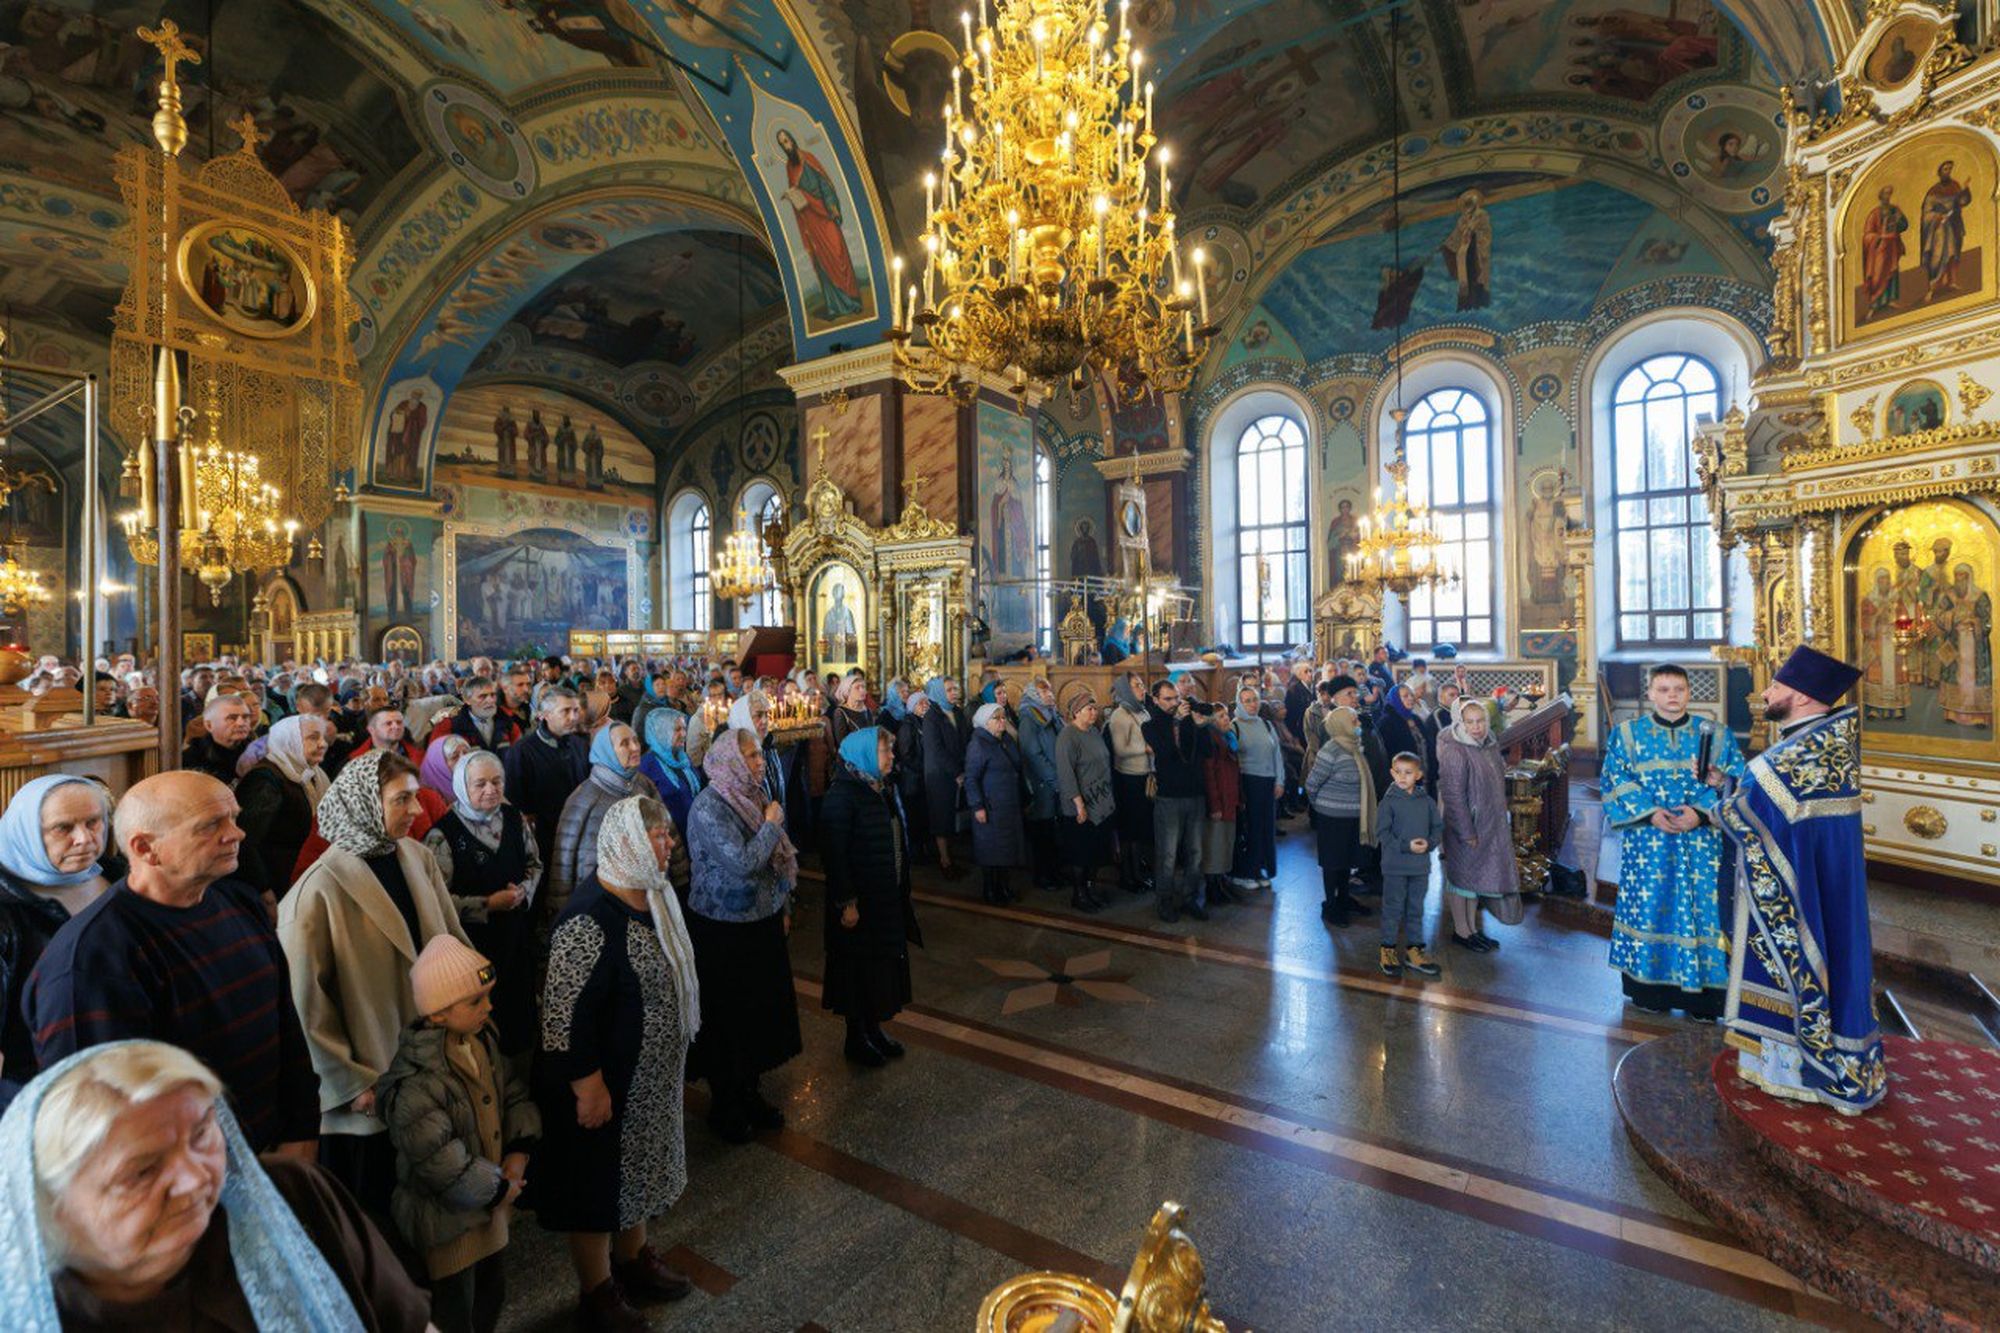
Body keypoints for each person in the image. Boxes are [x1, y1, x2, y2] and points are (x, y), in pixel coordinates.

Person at [0, 1041, 429, 1331]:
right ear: (52, 1207)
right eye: (142, 1171)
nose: (195, 1179)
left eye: (201, 1133)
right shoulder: (37, 1314)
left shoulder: (293, 1197)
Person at [26, 771, 319, 1156]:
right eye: (211, 825)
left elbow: (285, 1027)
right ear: (146, 848)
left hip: (271, 1155)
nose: (237, 834)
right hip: (182, 1178)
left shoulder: (239, 902)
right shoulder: (94, 957)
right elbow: (100, 1116)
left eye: (233, 817)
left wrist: (301, 1133)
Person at [279, 750, 475, 1216]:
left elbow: (451, 938)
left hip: (433, 1059)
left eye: (416, 798)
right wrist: (348, 1082)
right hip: (373, 1076)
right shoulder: (319, 889)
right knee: (381, 1208)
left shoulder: (416, 856)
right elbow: (304, 1003)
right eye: (402, 800)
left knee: (436, 1205)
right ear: (365, 802)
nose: (417, 811)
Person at [537, 796, 699, 1330]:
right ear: (628, 842)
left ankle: (633, 1261)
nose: (669, 844)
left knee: (637, 1171)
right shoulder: (588, 917)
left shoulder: (651, 898)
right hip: (604, 1082)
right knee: (595, 1184)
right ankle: (597, 1288)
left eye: (669, 835)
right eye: (658, 837)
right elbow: (563, 1014)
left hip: (646, 1080)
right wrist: (587, 1084)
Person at [1720, 645, 1884, 1114]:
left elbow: (1750, 811)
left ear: (1805, 697)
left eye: (1776, 686)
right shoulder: (1825, 740)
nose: (1765, 693)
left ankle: (1799, 1066)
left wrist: (1719, 804)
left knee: (1806, 957)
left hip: (1805, 886)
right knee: (1837, 949)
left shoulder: (1795, 753)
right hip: (1825, 877)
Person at [377, 935, 539, 1333]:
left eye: (489, 995)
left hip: (488, 1211)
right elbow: (442, 1163)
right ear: (437, 1015)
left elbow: (511, 1092)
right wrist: (499, 1188)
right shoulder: (417, 1082)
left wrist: (518, 1150)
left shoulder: (482, 1039)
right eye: (476, 1001)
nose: (489, 1006)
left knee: (491, 1295)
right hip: (447, 1226)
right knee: (455, 1312)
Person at [1601, 664, 1746, 1019]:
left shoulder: (1716, 734)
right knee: (1652, 907)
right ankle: (1651, 992)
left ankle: (1705, 1000)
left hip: (1702, 841)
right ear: (1650, 693)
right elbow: (1614, 779)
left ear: (1688, 692)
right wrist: (1650, 813)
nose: (1672, 696)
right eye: (1663, 689)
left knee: (1705, 911)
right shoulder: (1627, 734)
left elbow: (1738, 781)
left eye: (1678, 689)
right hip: (1649, 841)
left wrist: (1700, 811)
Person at [684, 727, 802, 1143]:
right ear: (730, 761)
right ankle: (726, 1105)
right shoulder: (709, 806)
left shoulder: (751, 796)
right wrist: (771, 824)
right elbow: (744, 862)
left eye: (758, 755)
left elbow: (774, 866)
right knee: (729, 1020)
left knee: (758, 1016)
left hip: (761, 922)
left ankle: (751, 1092)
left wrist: (782, 906)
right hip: (723, 930)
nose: (759, 762)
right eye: (750, 756)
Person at [0, 776, 114, 1102]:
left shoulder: (118, 873)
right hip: (43, 1089)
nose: (84, 839)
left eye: (93, 822)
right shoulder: (6, 909)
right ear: (26, 831)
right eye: (63, 828)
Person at [426, 750, 542, 1062]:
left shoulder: (514, 819)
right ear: (463, 787)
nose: (490, 790)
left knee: (517, 1020)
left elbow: (534, 864)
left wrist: (523, 892)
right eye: (480, 784)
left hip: (516, 939)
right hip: (473, 947)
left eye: (497, 781)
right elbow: (436, 899)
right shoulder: (442, 835)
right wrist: (487, 904)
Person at [820, 727, 921, 1067]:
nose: (891, 756)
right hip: (858, 904)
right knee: (856, 971)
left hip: (883, 897)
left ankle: (874, 1029)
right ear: (864, 755)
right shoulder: (842, 795)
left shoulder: (878, 788)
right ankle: (856, 1037)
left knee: (879, 969)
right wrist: (847, 902)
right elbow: (834, 856)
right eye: (884, 751)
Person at [548, 723, 659, 926]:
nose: (635, 748)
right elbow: (563, 857)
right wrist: (561, 910)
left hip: (644, 889)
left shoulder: (643, 784)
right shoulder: (585, 797)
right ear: (606, 751)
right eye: (625, 743)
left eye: (635, 740)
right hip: (598, 897)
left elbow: (665, 830)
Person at [1435, 698, 1518, 952]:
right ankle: (1461, 931)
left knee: (1474, 882)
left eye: (1480, 720)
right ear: (1461, 723)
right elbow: (1453, 796)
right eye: (1470, 722)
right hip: (1466, 828)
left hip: (1488, 825)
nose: (1476, 727)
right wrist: (1466, 831)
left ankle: (1472, 929)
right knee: (1461, 881)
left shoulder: (1488, 744)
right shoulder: (1455, 749)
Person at [234, 714, 331, 904]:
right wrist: (263, 890)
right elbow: (246, 842)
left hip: (305, 875)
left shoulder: (313, 774)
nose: (323, 744)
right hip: (277, 884)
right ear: (289, 740)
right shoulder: (265, 779)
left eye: (323, 737)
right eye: (313, 737)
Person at [1142, 678, 1210, 923]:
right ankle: (1165, 901)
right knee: (1167, 855)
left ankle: (1191, 898)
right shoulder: (1150, 726)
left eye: (1175, 698)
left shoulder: (1188, 720)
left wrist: (1201, 727)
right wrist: (1177, 722)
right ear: (1156, 700)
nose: (1173, 703)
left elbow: (1207, 752)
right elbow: (1167, 752)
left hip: (1195, 794)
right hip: (1169, 798)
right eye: (1168, 699)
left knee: (1195, 853)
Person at [504, 684, 591, 870]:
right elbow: (517, 804)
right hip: (544, 839)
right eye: (565, 711)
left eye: (576, 710)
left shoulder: (579, 744)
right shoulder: (522, 751)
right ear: (545, 714)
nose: (573, 717)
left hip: (579, 831)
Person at [1305, 706, 1376, 927]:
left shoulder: (1355, 747)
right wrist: (1323, 806)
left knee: (1346, 861)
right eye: (1353, 721)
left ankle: (1344, 899)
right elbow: (1312, 784)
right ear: (1342, 725)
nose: (1358, 725)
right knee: (1333, 863)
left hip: (1353, 816)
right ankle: (1331, 905)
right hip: (1333, 817)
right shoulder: (1331, 749)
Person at [1374, 752, 1443, 979]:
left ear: (1419, 775)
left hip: (1420, 867)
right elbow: (1382, 833)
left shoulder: (1427, 802)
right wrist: (1406, 846)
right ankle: (1388, 950)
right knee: (1393, 909)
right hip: (1395, 866)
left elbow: (1437, 828)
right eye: (1398, 772)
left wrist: (1430, 843)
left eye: (1409, 772)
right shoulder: (1388, 802)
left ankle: (1414, 951)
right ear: (1392, 773)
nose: (1403, 777)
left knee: (1416, 909)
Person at [963, 701, 1028, 906]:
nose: (1001, 722)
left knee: (1006, 850)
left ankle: (1004, 887)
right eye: (996, 718)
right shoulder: (978, 744)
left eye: (1003, 718)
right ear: (985, 722)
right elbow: (971, 779)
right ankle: (990, 890)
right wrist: (977, 806)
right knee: (991, 851)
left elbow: (1017, 764)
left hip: (1008, 804)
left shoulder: (1005, 739)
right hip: (990, 807)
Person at [1054, 693, 1114, 913]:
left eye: (1094, 708)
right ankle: (1079, 894)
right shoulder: (1067, 737)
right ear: (1076, 712)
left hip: (1100, 802)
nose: (1094, 712)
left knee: (1095, 851)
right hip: (1080, 805)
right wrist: (1079, 805)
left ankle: (1090, 889)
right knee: (1081, 852)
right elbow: (1066, 773)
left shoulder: (1094, 732)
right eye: (1089, 708)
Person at [1230, 683, 1284, 889]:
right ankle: (1245, 872)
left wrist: (1279, 780)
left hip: (1268, 782)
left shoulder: (1266, 724)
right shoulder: (1234, 726)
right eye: (1247, 701)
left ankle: (1262, 868)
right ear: (1240, 703)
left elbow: (1277, 754)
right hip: (1248, 783)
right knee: (1251, 829)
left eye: (1255, 699)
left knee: (1266, 829)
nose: (1252, 704)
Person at [1107, 672, 1154, 895]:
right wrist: (1144, 749)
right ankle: (1129, 875)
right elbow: (1120, 750)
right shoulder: (1120, 715)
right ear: (1125, 689)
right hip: (1129, 779)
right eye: (1136, 685)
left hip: (1146, 775)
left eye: (1142, 684)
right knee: (1130, 831)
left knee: (1140, 830)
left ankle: (1138, 871)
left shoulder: (1142, 710)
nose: (1142, 688)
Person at [1016, 677, 1063, 893]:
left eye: (1051, 691)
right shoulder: (1029, 717)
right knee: (1042, 832)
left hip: (1054, 780)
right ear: (1035, 696)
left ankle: (1055, 871)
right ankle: (1043, 875)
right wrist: (1054, 778)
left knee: (1053, 831)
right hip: (1042, 783)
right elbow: (1032, 753)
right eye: (1046, 692)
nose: (1051, 695)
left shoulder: (1051, 714)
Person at [919, 677, 968, 878]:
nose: (955, 692)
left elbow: (964, 741)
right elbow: (936, 750)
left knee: (953, 817)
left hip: (958, 771)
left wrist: (964, 768)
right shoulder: (932, 716)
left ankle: (953, 858)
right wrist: (956, 772)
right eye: (949, 689)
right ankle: (945, 861)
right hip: (939, 775)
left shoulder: (957, 712)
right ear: (939, 692)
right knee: (942, 818)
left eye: (956, 688)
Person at [1198, 702, 1245, 905]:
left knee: (1226, 844)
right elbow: (1209, 776)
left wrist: (1239, 798)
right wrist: (1215, 805)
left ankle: (1221, 882)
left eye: (1226, 715)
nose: (1226, 719)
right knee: (1214, 846)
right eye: (1220, 716)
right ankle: (1212, 888)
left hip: (1230, 798)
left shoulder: (1227, 738)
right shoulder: (1212, 740)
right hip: (1219, 801)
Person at [639, 706, 703, 849]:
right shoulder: (646, 766)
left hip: (696, 833)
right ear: (660, 732)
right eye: (677, 729)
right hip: (673, 841)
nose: (684, 734)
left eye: (684, 728)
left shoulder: (683, 758)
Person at [182, 694, 255, 784]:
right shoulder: (191, 759)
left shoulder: (257, 752)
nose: (241, 723)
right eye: (232, 718)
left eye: (245, 717)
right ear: (209, 725)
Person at [895, 687, 934, 853]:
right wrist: (924, 768)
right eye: (920, 703)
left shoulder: (926, 722)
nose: (925, 705)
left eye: (926, 702)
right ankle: (916, 852)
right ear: (912, 706)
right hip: (913, 780)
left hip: (924, 778)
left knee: (925, 816)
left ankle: (925, 848)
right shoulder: (907, 725)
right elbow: (906, 755)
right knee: (914, 817)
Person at [451, 676, 520, 752]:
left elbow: (518, 754)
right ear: (467, 700)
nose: (490, 700)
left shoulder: (508, 722)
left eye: (493, 695)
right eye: (482, 696)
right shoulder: (453, 726)